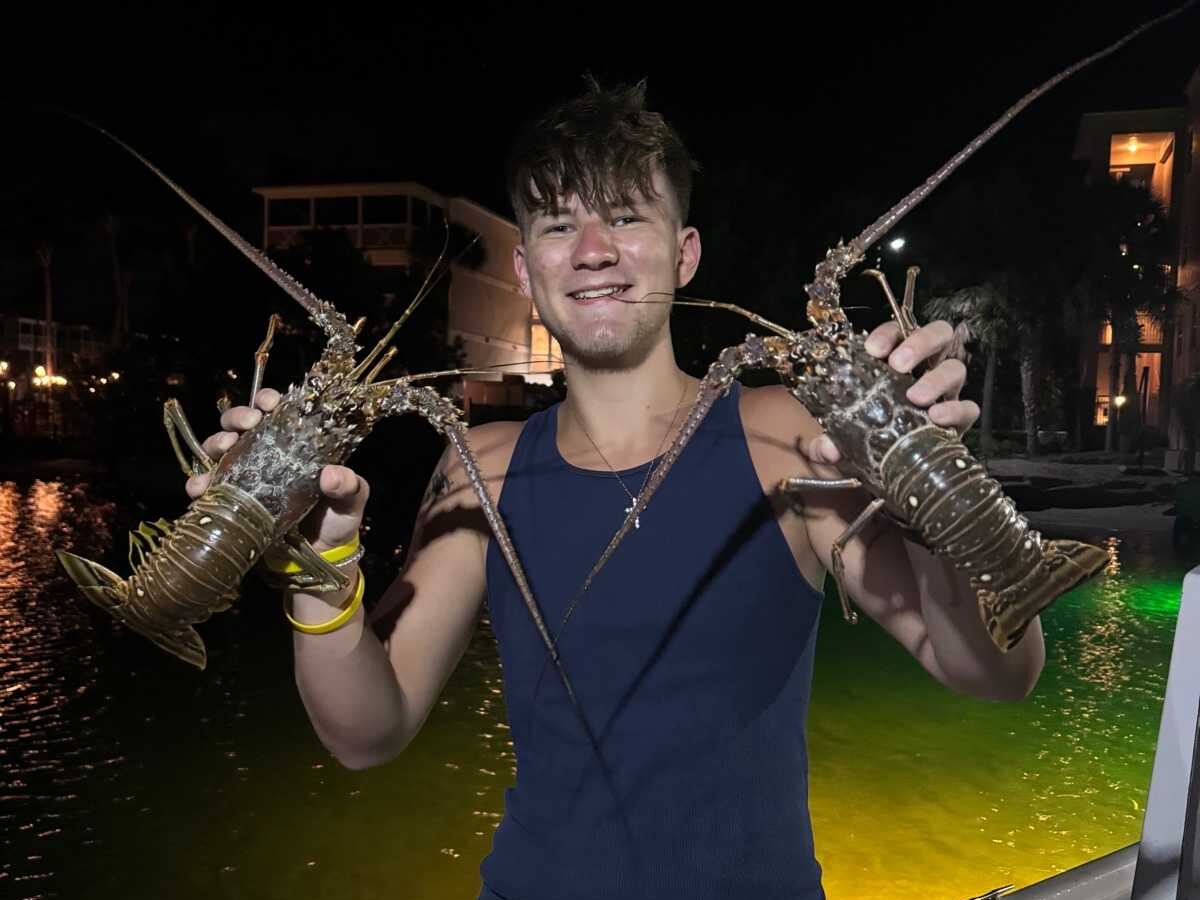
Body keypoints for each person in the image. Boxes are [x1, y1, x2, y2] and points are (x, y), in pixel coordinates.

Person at [188, 80, 1044, 900]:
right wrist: (318, 562)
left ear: (686, 252)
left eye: (627, 217)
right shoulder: (476, 465)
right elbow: (368, 733)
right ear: (526, 270)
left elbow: (996, 672)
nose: (594, 250)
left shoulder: (789, 438)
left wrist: (931, 495)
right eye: (560, 226)